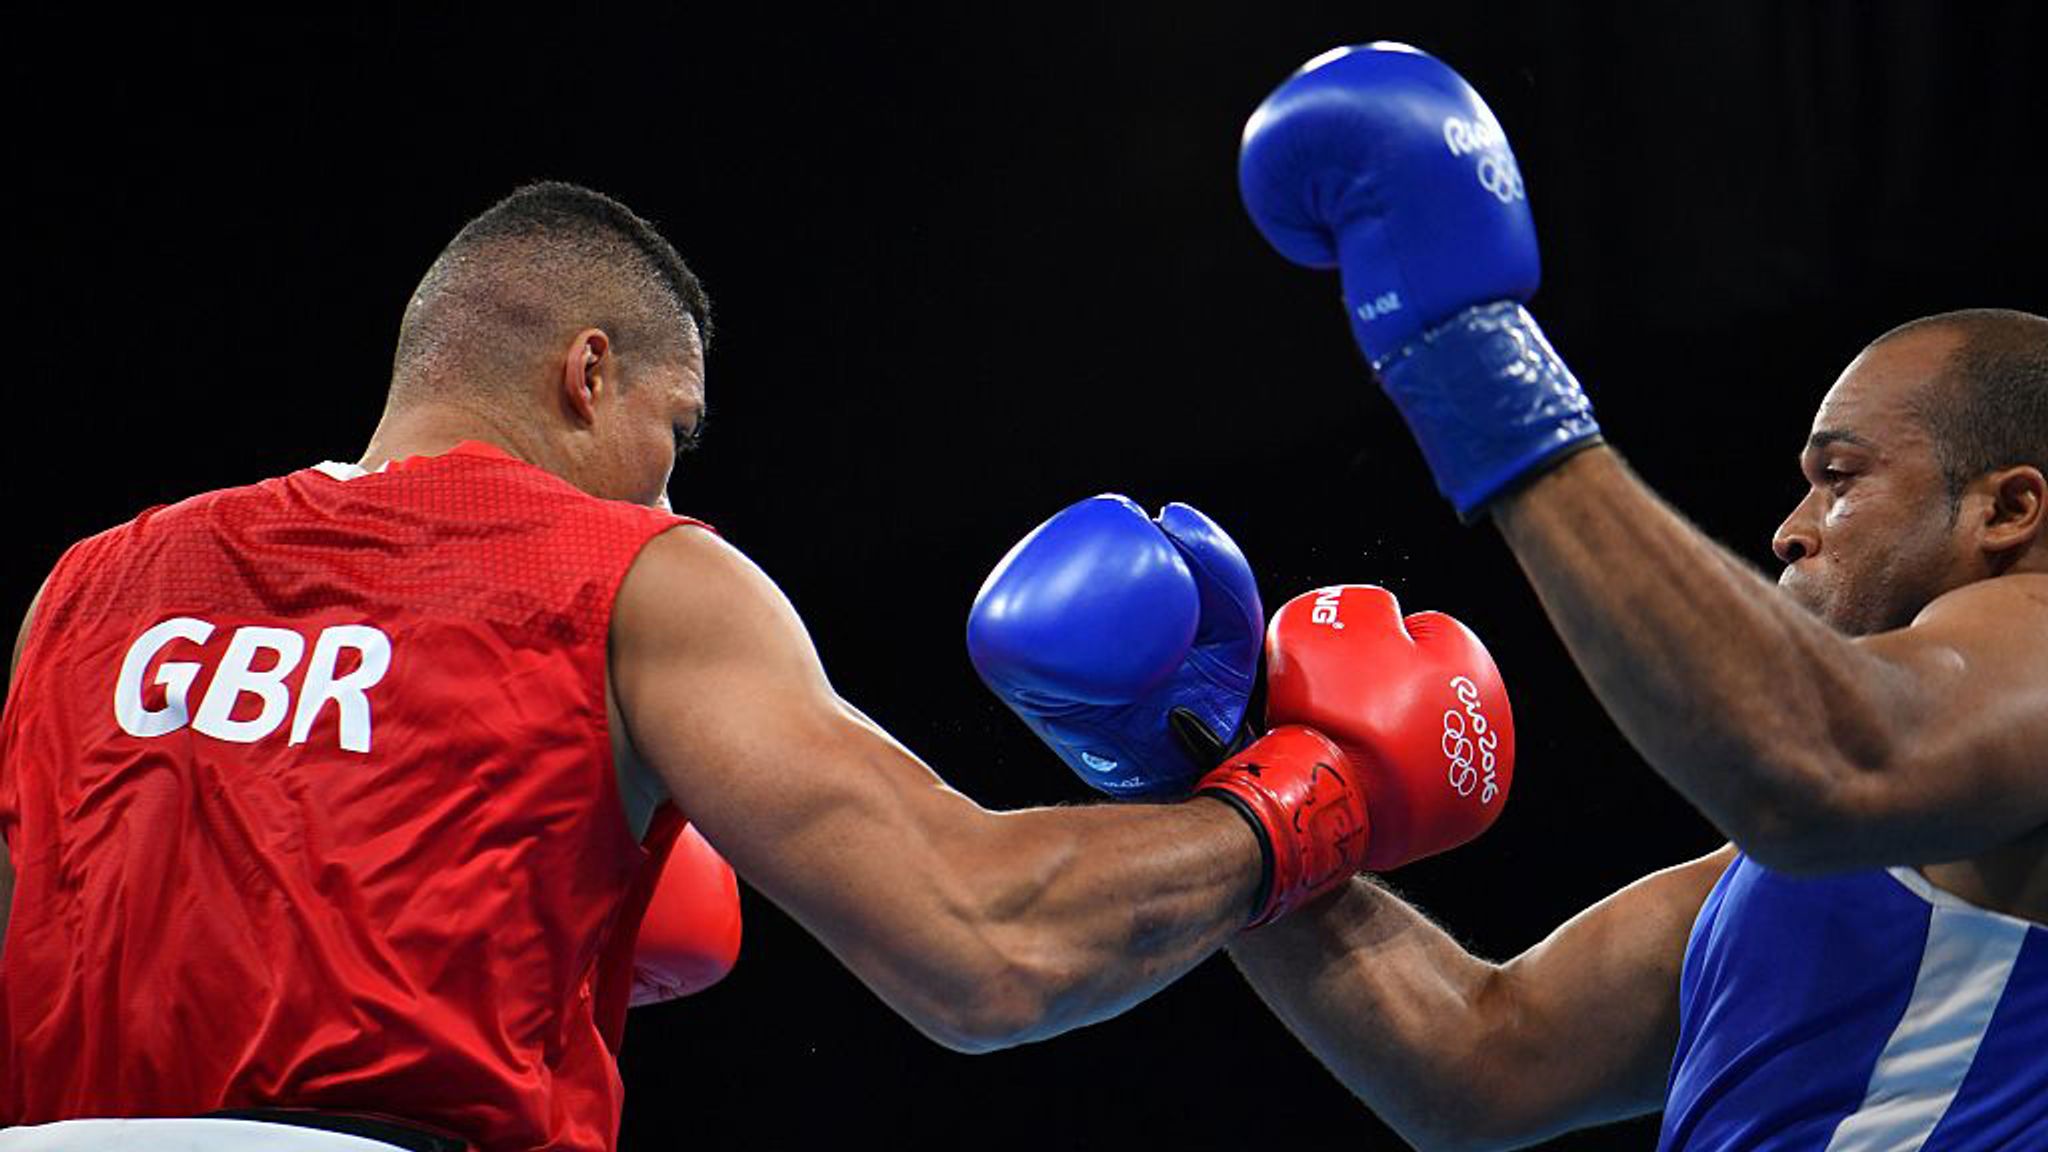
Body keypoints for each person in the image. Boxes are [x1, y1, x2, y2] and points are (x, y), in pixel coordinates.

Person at [0, 182, 1397, 1152]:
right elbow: (984, 949)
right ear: (587, 373)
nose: (670, 497)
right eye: (673, 435)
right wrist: (1297, 807)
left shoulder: (91, 583)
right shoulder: (630, 574)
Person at [1219, 44, 2047, 1149]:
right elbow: (1484, 1060)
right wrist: (1219, 765)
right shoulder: (1783, 866)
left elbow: (1826, 761)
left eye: (1839, 477)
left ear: (2007, 509)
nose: (1789, 530)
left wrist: (1472, 364)